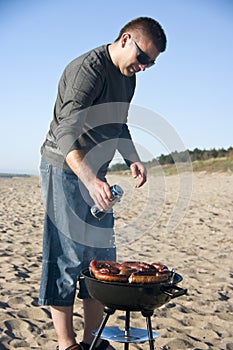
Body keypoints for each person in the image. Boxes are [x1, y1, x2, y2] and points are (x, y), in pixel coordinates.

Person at [39, 17, 167, 350]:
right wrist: (90, 179)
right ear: (126, 40)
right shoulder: (89, 70)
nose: (144, 67)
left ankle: (93, 341)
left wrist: (132, 157)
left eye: (150, 63)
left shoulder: (128, 78)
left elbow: (119, 123)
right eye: (142, 58)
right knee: (67, 258)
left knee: (100, 259)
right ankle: (67, 344)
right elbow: (66, 132)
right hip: (66, 169)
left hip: (97, 175)